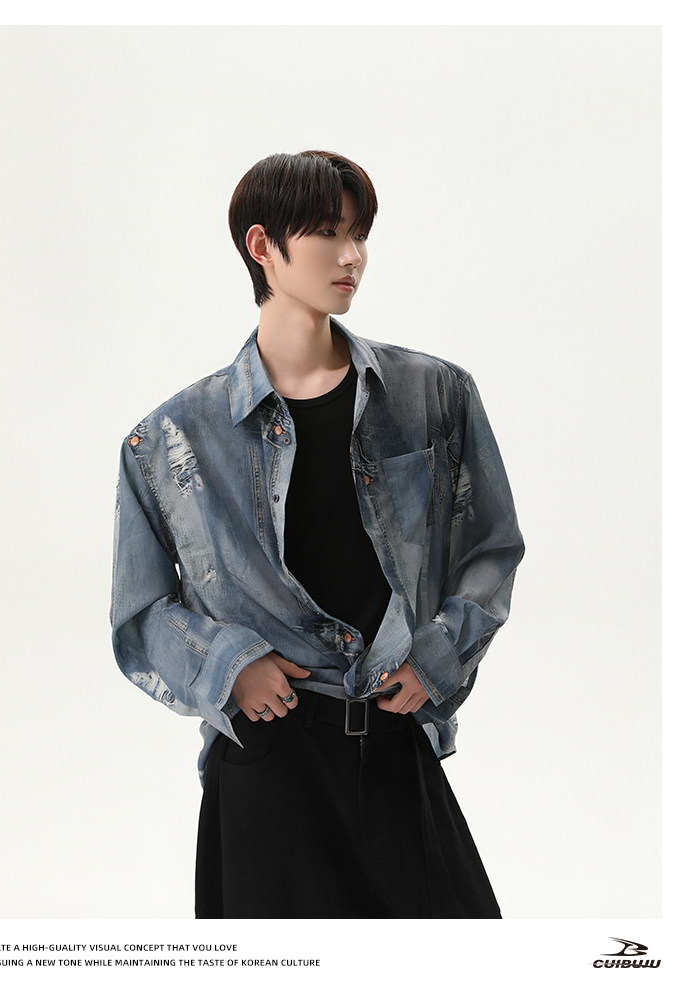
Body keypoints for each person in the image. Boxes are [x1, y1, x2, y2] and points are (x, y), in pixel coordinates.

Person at [111, 150, 524, 919]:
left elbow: (490, 549)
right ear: (262, 246)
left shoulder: (433, 395)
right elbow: (140, 613)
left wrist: (439, 654)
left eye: (359, 233)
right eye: (329, 232)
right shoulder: (170, 438)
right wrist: (228, 665)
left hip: (394, 741)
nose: (352, 255)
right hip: (266, 763)